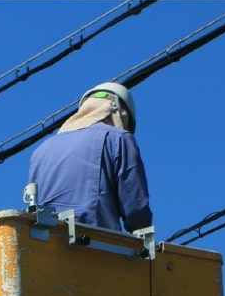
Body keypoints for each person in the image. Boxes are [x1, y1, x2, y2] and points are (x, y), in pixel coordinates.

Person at [27, 82, 153, 233]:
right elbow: (135, 207)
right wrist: (143, 241)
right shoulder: (119, 138)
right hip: (94, 243)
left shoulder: (42, 149)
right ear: (120, 113)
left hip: (46, 241)